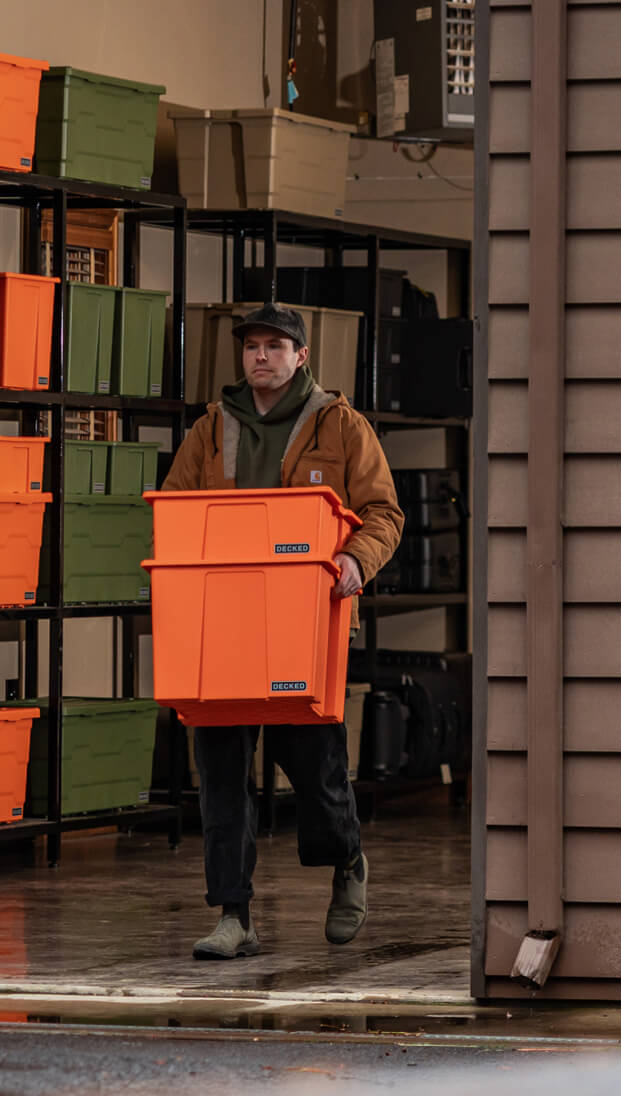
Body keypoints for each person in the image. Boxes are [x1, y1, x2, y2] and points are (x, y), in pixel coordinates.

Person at [156, 304, 405, 960]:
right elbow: (175, 509)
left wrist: (356, 558)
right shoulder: (213, 428)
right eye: (251, 347)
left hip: (302, 627)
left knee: (315, 768)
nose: (260, 357)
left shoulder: (341, 426)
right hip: (221, 628)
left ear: (301, 355)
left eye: (275, 346)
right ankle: (233, 915)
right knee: (219, 773)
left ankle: (347, 860)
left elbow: (384, 511)